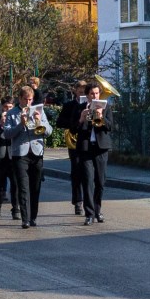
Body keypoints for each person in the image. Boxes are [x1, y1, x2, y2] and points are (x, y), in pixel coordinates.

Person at [4, 86, 51, 228]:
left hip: (37, 152)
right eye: (25, 99)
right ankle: (25, 218)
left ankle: (33, 217)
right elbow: (7, 134)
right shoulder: (12, 113)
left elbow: (48, 131)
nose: (28, 102)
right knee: (23, 188)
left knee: (35, 187)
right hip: (20, 154)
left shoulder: (39, 111)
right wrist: (20, 124)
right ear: (20, 98)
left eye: (30, 99)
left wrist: (40, 121)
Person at [75, 81, 112, 225]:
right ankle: (89, 214)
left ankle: (98, 210)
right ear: (87, 95)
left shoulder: (106, 107)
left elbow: (110, 127)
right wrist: (82, 118)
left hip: (101, 148)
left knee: (100, 182)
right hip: (85, 148)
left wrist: (101, 117)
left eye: (97, 93)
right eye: (92, 93)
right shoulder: (80, 108)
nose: (95, 95)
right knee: (88, 181)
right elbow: (73, 128)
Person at [57, 83, 89, 217]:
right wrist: (74, 121)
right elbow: (59, 122)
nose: (81, 93)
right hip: (74, 142)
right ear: (75, 91)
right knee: (76, 171)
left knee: (87, 172)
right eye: (79, 91)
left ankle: (89, 202)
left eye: (84, 91)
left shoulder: (91, 105)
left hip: (87, 142)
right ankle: (78, 201)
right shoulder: (69, 105)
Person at [0, 94, 17, 219]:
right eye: (5, 107)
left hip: (14, 155)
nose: (7, 109)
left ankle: (16, 209)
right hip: (0, 156)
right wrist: (1, 124)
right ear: (2, 107)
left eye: (10, 107)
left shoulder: (16, 119)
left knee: (15, 184)